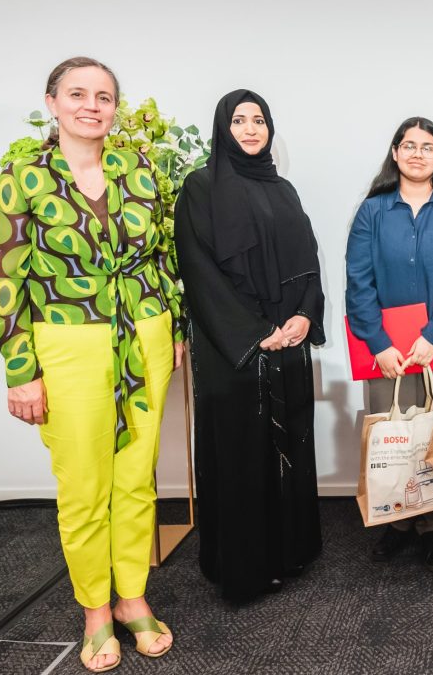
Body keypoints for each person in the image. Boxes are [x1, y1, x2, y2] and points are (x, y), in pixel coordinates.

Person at [0, 57, 181, 672]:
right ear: (53, 102)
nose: (92, 105)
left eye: (104, 96)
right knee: (85, 485)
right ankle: (95, 610)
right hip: (68, 344)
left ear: (116, 109)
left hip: (144, 337)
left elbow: (165, 255)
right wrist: (21, 369)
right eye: (78, 94)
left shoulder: (140, 170)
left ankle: (132, 598)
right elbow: (1, 277)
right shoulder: (23, 176)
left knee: (137, 478)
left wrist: (174, 327)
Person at [174, 89, 326, 603]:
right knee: (241, 455)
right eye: (238, 120)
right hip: (234, 350)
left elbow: (309, 259)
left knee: (287, 447)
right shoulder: (200, 188)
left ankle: (289, 552)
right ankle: (243, 568)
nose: (250, 129)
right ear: (223, 128)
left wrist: (305, 314)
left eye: (259, 120)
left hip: (289, 343)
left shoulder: (283, 189)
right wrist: (255, 332)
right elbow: (200, 273)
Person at [345, 116, 433, 572]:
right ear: (395, 153)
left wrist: (432, 337)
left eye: (427, 146)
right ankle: (397, 521)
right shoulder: (373, 210)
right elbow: (358, 281)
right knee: (395, 436)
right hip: (385, 350)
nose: (418, 153)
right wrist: (380, 343)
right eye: (409, 145)